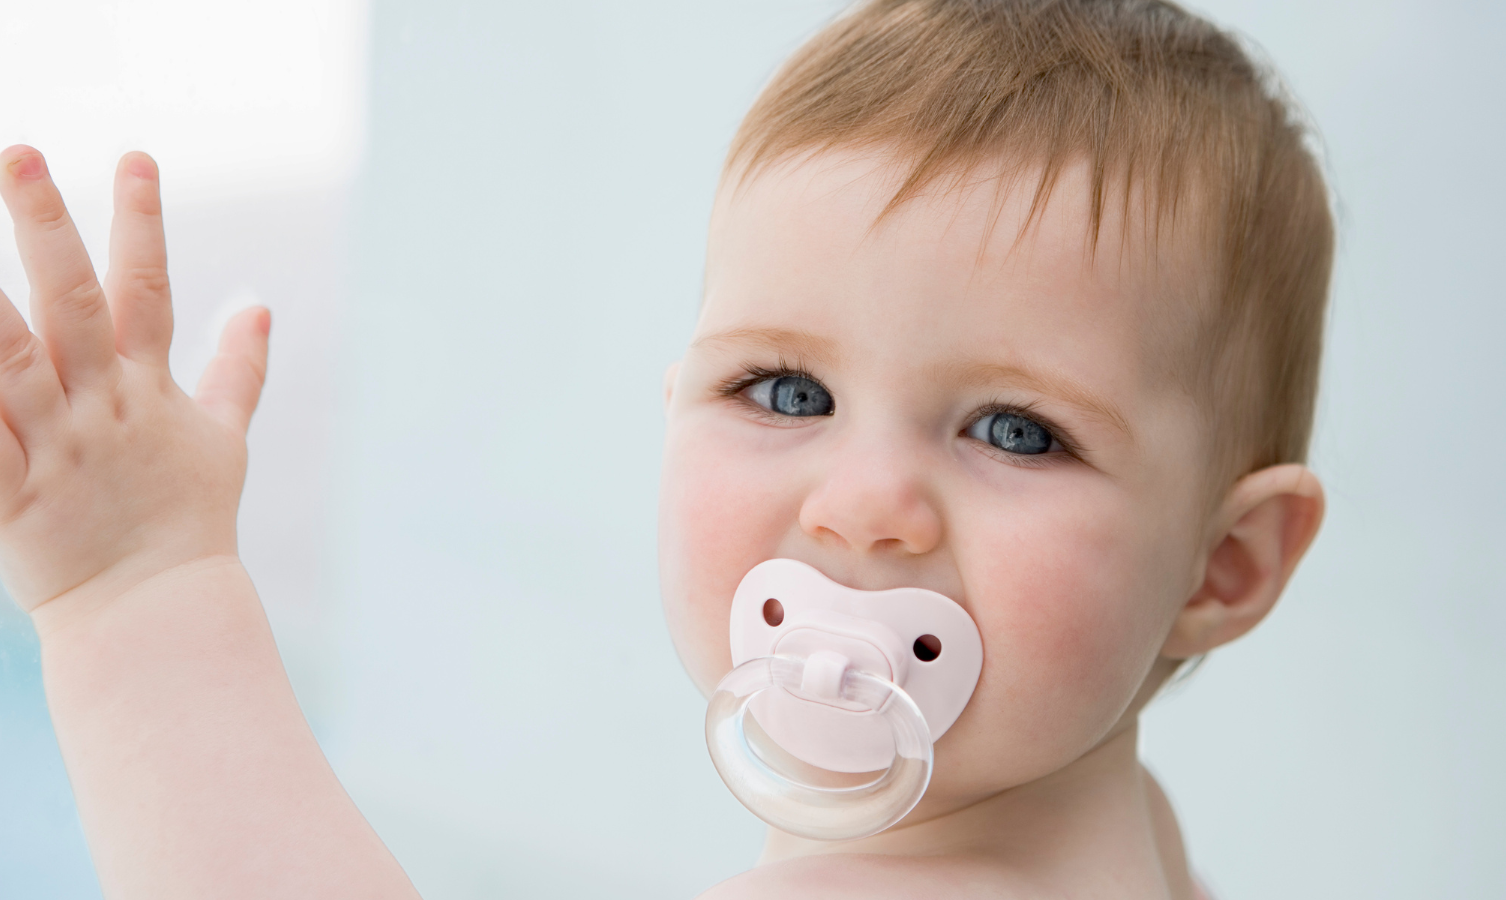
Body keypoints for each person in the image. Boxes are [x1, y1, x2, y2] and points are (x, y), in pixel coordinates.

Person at [0, 1, 1333, 897]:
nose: (866, 507)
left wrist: (140, 599)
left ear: (1222, 565)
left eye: (1014, 430)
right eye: (786, 391)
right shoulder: (1111, 830)